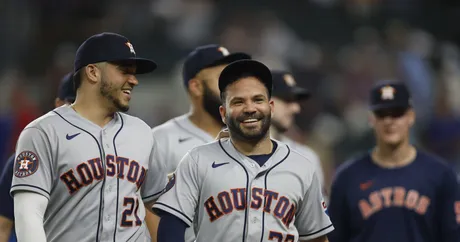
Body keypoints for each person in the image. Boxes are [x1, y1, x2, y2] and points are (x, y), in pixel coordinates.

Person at [10, 32, 168, 242]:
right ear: (93, 72)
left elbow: (159, 207)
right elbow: (28, 213)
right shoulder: (43, 132)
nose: (134, 80)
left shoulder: (142, 132)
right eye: (124, 71)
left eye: (134, 73)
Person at [153, 59, 333, 242]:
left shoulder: (301, 166)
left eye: (257, 100)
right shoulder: (197, 160)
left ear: (270, 107)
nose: (249, 108)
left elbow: (316, 237)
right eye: (238, 102)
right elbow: (170, 230)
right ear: (223, 113)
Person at [328, 81, 460, 242]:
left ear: (411, 116)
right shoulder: (348, 178)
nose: (389, 121)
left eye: (397, 113)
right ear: (371, 119)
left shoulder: (440, 175)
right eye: (382, 114)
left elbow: (453, 236)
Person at [151, 44, 250, 241]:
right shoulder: (161, 139)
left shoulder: (253, 138)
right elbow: (149, 211)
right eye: (223, 79)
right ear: (196, 87)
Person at [0, 72, 76, 242]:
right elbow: (3, 224)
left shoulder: (111, 155)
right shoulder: (27, 157)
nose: (77, 111)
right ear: (58, 104)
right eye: (71, 102)